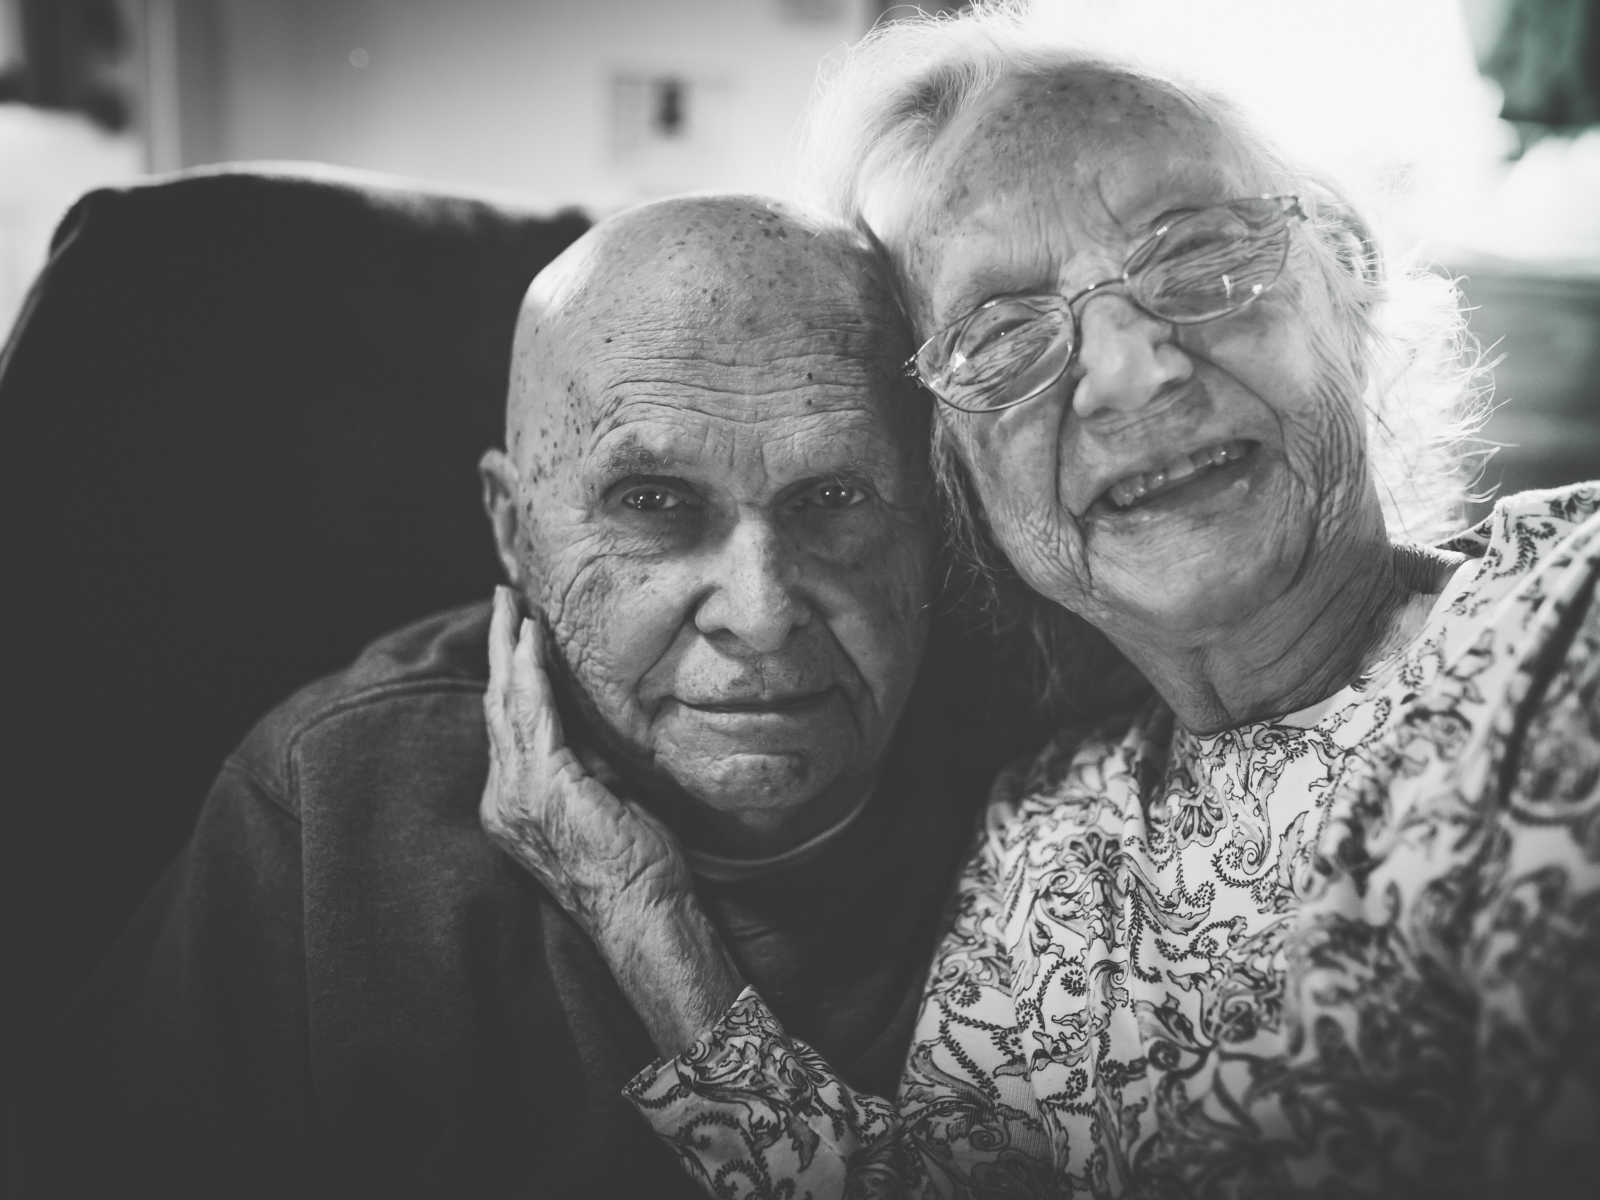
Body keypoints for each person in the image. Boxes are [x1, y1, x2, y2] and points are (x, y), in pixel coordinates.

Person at [478, 7, 1600, 1199]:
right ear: (950, 474)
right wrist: (644, 914)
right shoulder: (1049, 830)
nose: (1130, 368)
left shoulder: (1561, 623)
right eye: (1002, 335)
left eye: (1197, 255)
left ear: (1343, 279)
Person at [23, 193, 1034, 1197]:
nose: (761, 612)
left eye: (833, 499)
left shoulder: (1063, 796)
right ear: (513, 529)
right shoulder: (332, 804)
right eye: (653, 504)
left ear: (933, 520)